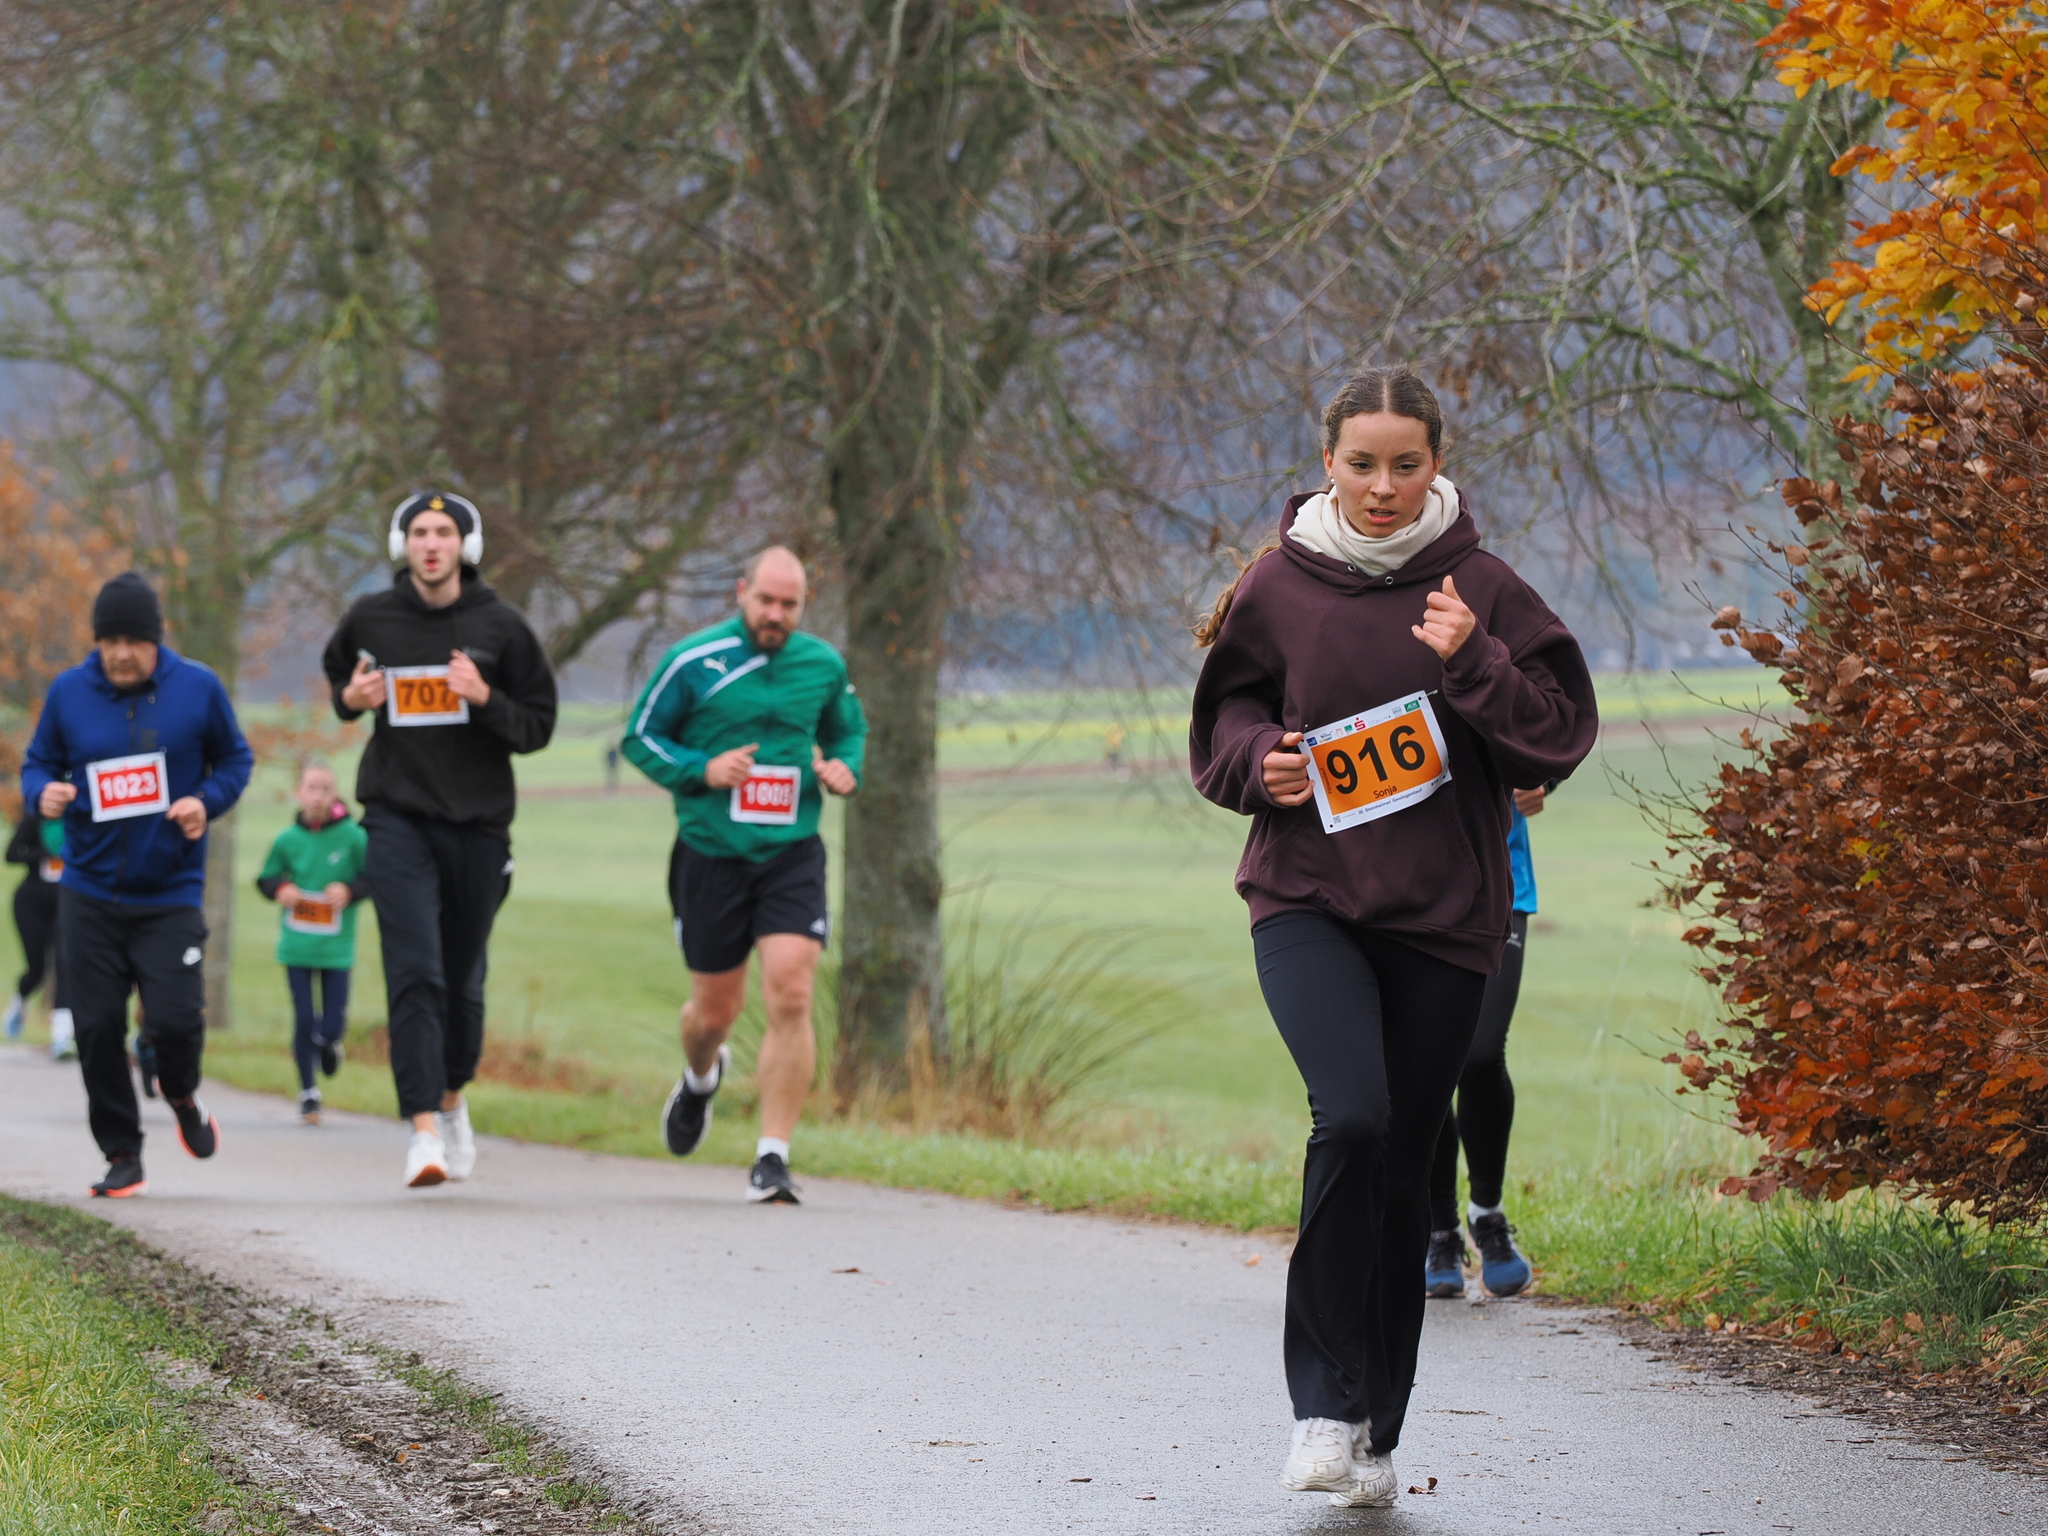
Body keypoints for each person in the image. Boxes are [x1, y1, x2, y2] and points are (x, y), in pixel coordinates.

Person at [1189, 368, 1596, 1508]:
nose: (1381, 487)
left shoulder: (1483, 586)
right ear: (1327, 462)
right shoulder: (1279, 582)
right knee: (1353, 1119)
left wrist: (1474, 660)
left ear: (1436, 465)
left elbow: (1557, 735)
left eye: (1404, 466)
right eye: (1360, 464)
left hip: (1441, 916)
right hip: (1306, 897)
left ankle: (1375, 1424)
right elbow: (1225, 714)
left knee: (1405, 1156)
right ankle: (1321, 1408)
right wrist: (1258, 761)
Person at [321, 491, 557, 1188]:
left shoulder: (501, 626)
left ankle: (452, 1098)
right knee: (415, 969)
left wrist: (485, 699)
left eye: (444, 532)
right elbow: (339, 677)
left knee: (462, 979)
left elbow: (538, 726)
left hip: (479, 826)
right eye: (420, 532)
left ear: (465, 546)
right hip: (396, 819)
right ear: (404, 544)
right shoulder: (372, 617)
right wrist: (350, 700)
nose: (431, 544)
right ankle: (422, 1129)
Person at [623, 546, 865, 1205]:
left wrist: (844, 768)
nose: (776, 615)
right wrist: (701, 769)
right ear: (741, 592)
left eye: (790, 604)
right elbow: (640, 737)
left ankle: (772, 1156)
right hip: (711, 854)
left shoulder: (822, 665)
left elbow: (848, 734)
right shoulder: (693, 660)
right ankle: (701, 1078)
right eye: (766, 601)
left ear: (804, 605)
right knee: (714, 1013)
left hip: (791, 853)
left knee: (792, 990)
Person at [21, 571, 254, 1198]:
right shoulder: (70, 692)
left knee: (176, 1022)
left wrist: (206, 800)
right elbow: (38, 762)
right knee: (96, 1028)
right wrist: (43, 793)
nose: (121, 654)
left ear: (157, 639)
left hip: (169, 891)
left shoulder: (198, 688)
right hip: (89, 890)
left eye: (134, 641)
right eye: (110, 641)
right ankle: (123, 1153)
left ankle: (180, 1091)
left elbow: (236, 759)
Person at [1425, 784, 1549, 1300]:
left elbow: (1552, 730)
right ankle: (1440, 1230)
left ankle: (1487, 1213)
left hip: (1499, 872)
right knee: (1424, 1062)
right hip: (1405, 882)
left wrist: (1543, 776)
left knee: (1479, 1053)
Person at [255, 760, 369, 1126]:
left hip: (336, 948)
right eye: (312, 788)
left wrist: (349, 890)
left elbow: (374, 877)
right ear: (298, 793)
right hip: (297, 946)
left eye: (326, 789)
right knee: (304, 1018)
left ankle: (331, 1043)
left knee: (331, 1022)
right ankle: (308, 1093)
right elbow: (266, 879)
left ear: (335, 794)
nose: (319, 796)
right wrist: (282, 889)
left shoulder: (353, 836)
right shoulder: (287, 839)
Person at [3, 810, 69, 1056]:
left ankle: (62, 1036)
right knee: (37, 969)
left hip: (66, 903)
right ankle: (20, 1002)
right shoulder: (36, 819)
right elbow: (11, 854)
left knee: (65, 965)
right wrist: (46, 854)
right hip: (31, 903)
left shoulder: (79, 819)